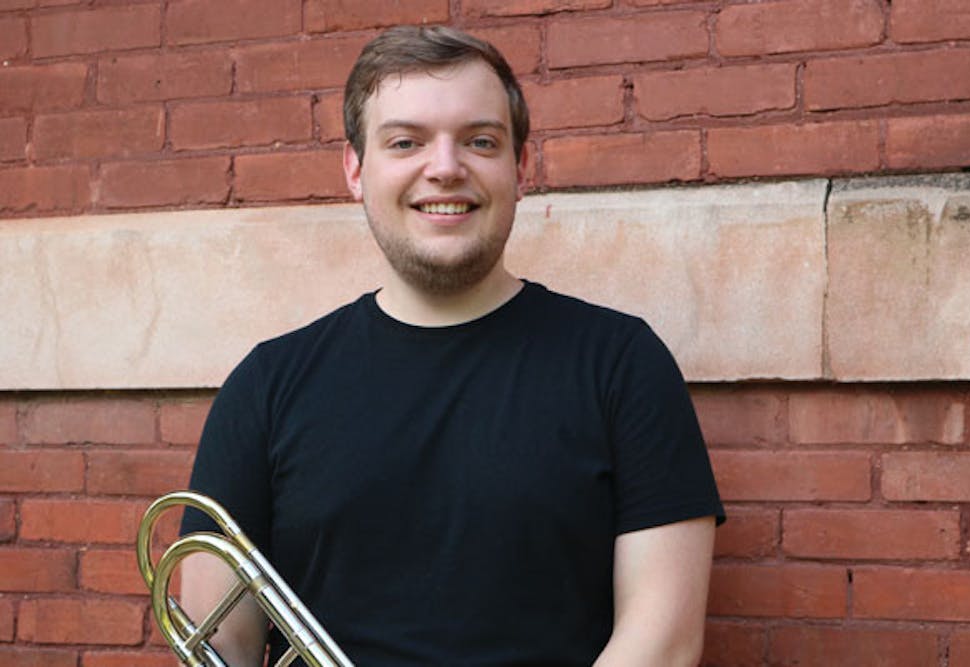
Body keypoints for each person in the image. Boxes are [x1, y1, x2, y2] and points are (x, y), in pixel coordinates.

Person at [179, 25, 724, 667]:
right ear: (357, 169)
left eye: (480, 141)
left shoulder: (622, 365)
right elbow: (221, 647)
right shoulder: (266, 385)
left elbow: (663, 643)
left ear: (520, 167)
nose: (444, 168)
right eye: (406, 141)